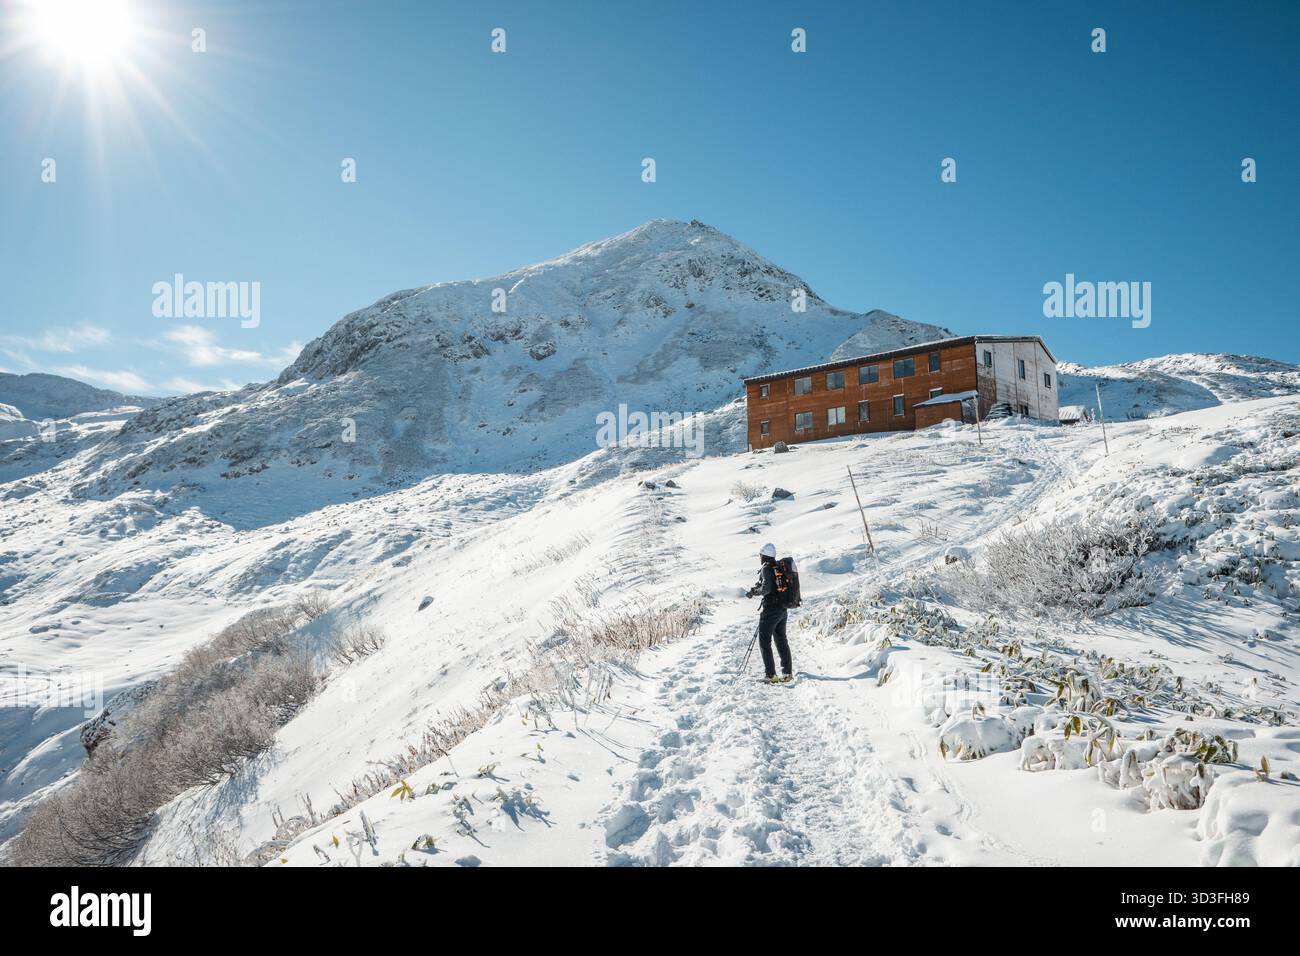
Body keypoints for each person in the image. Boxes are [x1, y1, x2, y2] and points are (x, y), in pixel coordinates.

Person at [745, 543, 792, 683]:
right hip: (782, 609)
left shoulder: (766, 568)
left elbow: (766, 589)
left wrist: (757, 592)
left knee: (765, 641)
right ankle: (787, 673)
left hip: (771, 609)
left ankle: (771, 675)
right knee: (781, 640)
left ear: (764, 555)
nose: (759, 557)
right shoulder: (776, 566)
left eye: (760, 555)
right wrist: (756, 589)